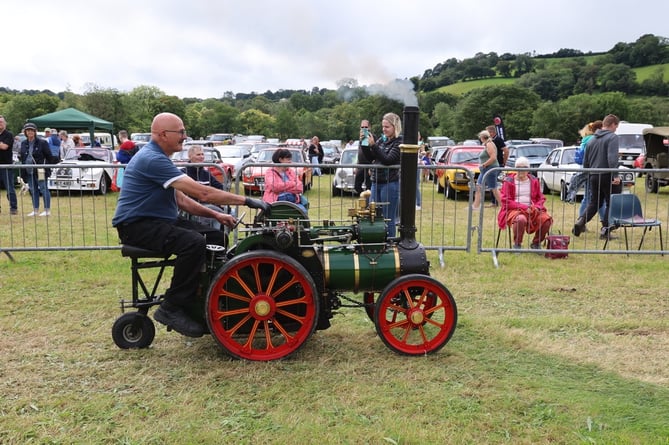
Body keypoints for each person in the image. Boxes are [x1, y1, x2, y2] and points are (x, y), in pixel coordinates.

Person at [112, 112, 270, 338]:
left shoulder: (161, 157)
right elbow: (202, 192)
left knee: (215, 237)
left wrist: (217, 217)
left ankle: (206, 296)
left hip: (156, 221)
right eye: (181, 132)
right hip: (137, 226)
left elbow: (182, 200)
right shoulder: (152, 159)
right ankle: (172, 307)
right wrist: (246, 200)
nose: (185, 137)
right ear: (163, 134)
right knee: (193, 243)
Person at [572, 114, 621, 239]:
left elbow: (585, 162)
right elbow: (612, 158)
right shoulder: (612, 138)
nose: (616, 129)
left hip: (593, 176)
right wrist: (615, 175)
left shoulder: (591, 139)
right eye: (616, 126)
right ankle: (605, 231)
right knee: (612, 203)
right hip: (607, 175)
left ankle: (580, 222)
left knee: (595, 202)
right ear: (613, 124)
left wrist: (590, 175)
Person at [497, 156, 553, 250]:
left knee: (546, 220)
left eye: (524, 168)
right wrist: (523, 207)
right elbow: (506, 201)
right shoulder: (509, 181)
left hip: (532, 209)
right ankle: (517, 245)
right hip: (513, 210)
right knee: (520, 219)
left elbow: (541, 198)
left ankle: (536, 244)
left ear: (528, 170)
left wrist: (536, 207)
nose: (521, 170)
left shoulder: (534, 181)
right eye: (518, 168)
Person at [362, 112, 402, 238]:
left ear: (395, 127)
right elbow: (370, 158)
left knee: (387, 218)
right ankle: (379, 243)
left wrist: (374, 146)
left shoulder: (399, 142)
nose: (384, 129)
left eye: (387, 127)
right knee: (375, 215)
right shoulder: (382, 140)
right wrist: (364, 144)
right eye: (383, 126)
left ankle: (390, 245)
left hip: (389, 184)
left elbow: (388, 160)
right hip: (376, 182)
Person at [19, 123, 58, 216]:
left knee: (44, 189)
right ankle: (35, 210)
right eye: (28, 130)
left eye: (32, 130)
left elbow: (49, 156)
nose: (30, 132)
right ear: (25, 132)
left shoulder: (42, 142)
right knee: (33, 190)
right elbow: (22, 156)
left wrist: (47, 167)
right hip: (29, 171)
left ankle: (47, 210)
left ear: (35, 131)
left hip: (40, 171)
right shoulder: (24, 143)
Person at [262, 148, 307, 213]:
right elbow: (274, 187)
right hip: (275, 202)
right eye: (288, 159)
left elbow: (300, 187)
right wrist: (292, 184)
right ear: (280, 160)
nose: (290, 162)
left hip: (293, 201)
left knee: (303, 211)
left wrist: (283, 188)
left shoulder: (291, 171)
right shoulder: (270, 172)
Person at [471, 130, 502, 210]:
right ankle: (475, 206)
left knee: (494, 188)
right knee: (479, 186)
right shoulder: (489, 144)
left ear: (482, 137)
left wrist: (484, 164)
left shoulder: (489, 144)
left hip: (490, 169)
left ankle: (503, 205)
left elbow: (493, 158)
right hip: (486, 169)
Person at [486, 125, 508, 206]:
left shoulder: (498, 139)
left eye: (487, 133)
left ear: (492, 132)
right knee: (492, 182)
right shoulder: (490, 141)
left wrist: (503, 162)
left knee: (493, 182)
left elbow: (506, 150)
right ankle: (494, 201)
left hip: (497, 164)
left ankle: (496, 201)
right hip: (491, 164)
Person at [0, 115, 18, 215]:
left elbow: (4, 147)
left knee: (9, 188)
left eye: (1, 122)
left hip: (6, 166)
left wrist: (1, 144)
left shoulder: (8, 134)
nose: (0, 124)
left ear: (5, 123)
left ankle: (13, 208)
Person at [354, 119, 373, 195]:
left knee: (369, 186)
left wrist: (372, 167)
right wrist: (356, 165)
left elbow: (375, 153)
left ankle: (369, 203)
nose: (364, 129)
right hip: (360, 165)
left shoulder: (372, 137)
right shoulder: (361, 138)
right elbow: (359, 152)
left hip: (369, 165)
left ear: (369, 127)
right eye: (362, 127)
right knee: (357, 186)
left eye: (366, 127)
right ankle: (365, 198)